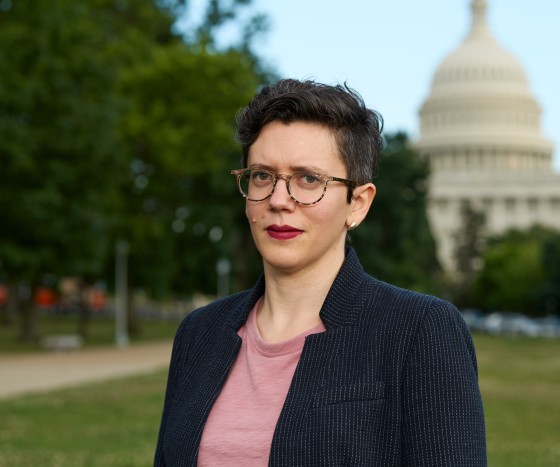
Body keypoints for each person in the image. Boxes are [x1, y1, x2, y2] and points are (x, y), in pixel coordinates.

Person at [154, 79, 487, 466]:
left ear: (358, 204)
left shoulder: (418, 330)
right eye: (262, 175)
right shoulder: (199, 333)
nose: (279, 200)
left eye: (308, 179)